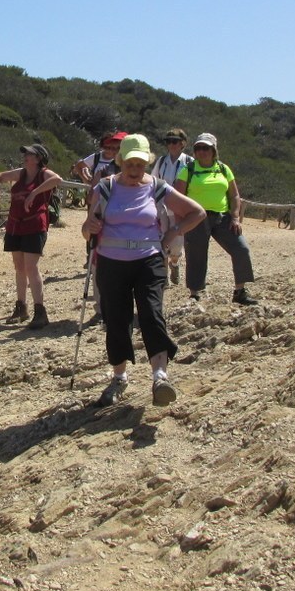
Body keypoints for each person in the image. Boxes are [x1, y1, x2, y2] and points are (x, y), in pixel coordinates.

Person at [81, 134, 205, 407]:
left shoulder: (158, 188)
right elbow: (87, 227)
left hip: (148, 260)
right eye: (130, 163)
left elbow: (197, 212)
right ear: (121, 160)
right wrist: (88, 228)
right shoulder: (104, 188)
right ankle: (119, 377)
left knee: (151, 313)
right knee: (116, 320)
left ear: (147, 162)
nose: (135, 169)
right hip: (111, 262)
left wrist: (174, 232)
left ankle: (160, 377)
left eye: (141, 163)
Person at [0, 144, 63, 329]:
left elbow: (57, 180)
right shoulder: (21, 173)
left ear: (39, 158)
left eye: (29, 154)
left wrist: (34, 192)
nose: (25, 156)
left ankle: (40, 311)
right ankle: (21, 307)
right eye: (25, 154)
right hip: (15, 225)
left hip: (35, 225)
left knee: (31, 267)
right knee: (19, 267)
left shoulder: (44, 174)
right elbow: (1, 176)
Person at [173, 132, 258, 305]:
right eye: (198, 148)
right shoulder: (187, 170)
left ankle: (240, 291)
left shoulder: (223, 169)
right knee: (196, 254)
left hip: (222, 217)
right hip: (196, 217)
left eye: (206, 148)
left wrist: (235, 217)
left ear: (214, 150)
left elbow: (234, 196)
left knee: (241, 248)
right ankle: (195, 294)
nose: (202, 151)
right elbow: (178, 197)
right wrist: (181, 222)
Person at [151, 128, 192, 286]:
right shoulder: (161, 162)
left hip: (179, 209)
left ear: (183, 143)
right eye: (168, 141)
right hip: (162, 207)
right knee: (161, 239)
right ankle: (163, 276)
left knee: (176, 245)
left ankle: (174, 263)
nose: (171, 144)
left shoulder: (189, 163)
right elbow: (153, 181)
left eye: (175, 141)